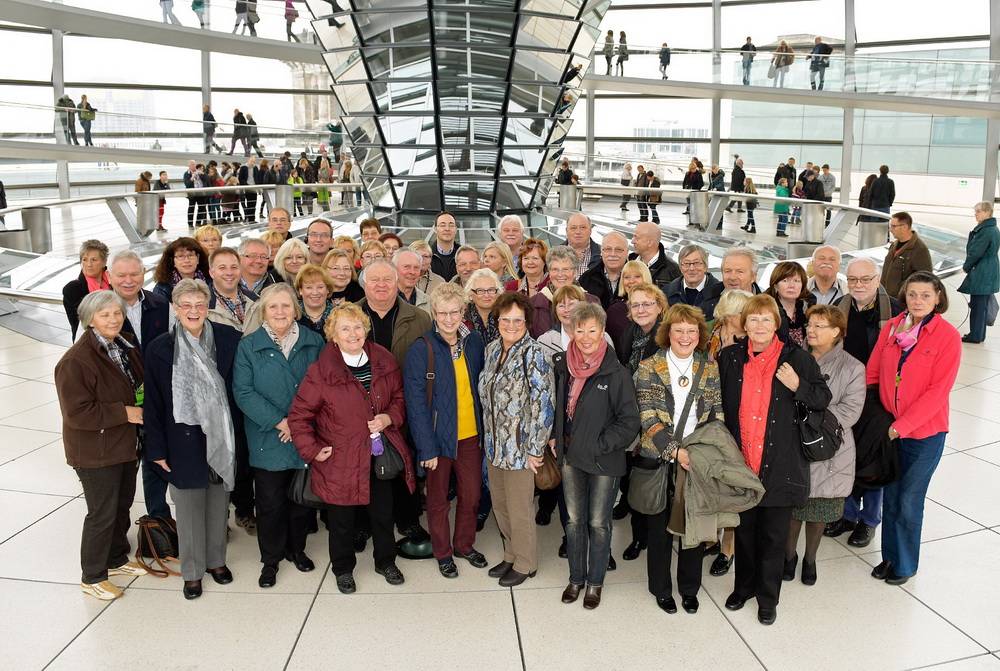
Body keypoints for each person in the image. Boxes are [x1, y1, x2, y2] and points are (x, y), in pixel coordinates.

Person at [718, 293, 831, 625]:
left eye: (766, 319)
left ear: (776, 324)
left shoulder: (797, 359)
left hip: (780, 463)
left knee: (773, 536)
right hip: (742, 461)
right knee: (745, 532)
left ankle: (768, 599)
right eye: (753, 319)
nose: (759, 325)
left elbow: (823, 397)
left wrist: (798, 386)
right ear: (744, 324)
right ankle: (744, 588)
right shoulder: (730, 357)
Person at [288, 303, 415, 593]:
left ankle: (386, 561)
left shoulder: (382, 358)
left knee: (383, 514)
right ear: (333, 334)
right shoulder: (321, 371)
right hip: (340, 460)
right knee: (342, 520)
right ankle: (343, 568)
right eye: (345, 328)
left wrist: (388, 418)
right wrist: (312, 449)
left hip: (377, 455)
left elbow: (398, 397)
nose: (353, 333)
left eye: (357, 326)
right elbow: (299, 416)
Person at [143, 279, 242, 599]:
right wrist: (155, 449)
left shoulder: (229, 339)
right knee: (187, 509)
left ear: (208, 306)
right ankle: (192, 571)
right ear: (174, 308)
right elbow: (153, 403)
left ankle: (216, 562)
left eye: (199, 304)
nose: (193, 311)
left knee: (217, 504)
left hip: (221, 436)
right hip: (181, 439)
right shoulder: (161, 348)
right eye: (186, 305)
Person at [867, 272, 961, 585]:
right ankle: (889, 557)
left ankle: (905, 564)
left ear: (938, 299)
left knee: (908, 499)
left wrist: (901, 426)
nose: (917, 301)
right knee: (891, 495)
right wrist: (877, 417)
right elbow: (874, 371)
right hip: (890, 428)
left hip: (924, 434)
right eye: (912, 295)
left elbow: (938, 392)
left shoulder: (946, 336)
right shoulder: (894, 327)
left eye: (925, 295)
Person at [55, 291, 148, 601]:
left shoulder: (122, 345)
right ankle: (92, 575)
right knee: (102, 512)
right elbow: (77, 412)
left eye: (117, 313)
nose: (113, 319)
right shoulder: (75, 361)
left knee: (122, 503)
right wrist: (126, 412)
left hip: (122, 443)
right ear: (89, 319)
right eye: (105, 314)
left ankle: (116, 558)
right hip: (95, 450)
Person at [634, 303, 723, 613]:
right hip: (660, 458)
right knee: (658, 529)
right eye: (679, 330)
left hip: (697, 458)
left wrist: (704, 452)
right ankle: (660, 588)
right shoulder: (648, 366)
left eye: (691, 331)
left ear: (699, 335)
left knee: (693, 528)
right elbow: (647, 417)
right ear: (667, 333)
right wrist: (676, 451)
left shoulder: (709, 367)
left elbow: (716, 414)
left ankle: (689, 588)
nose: (685, 336)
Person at [233, 284, 323, 588]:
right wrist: (279, 422)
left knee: (300, 500)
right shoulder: (249, 346)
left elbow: (323, 388)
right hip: (268, 436)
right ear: (263, 312)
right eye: (273, 307)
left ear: (295, 310)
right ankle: (270, 560)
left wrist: (298, 424)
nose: (280, 312)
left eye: (286, 306)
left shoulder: (314, 342)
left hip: (304, 433)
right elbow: (243, 391)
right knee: (270, 503)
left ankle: (296, 550)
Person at [551, 302, 639, 609]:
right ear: (571, 331)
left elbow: (630, 422)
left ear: (602, 331)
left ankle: (595, 583)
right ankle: (576, 578)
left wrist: (599, 444)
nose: (586, 336)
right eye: (580, 329)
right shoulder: (562, 365)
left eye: (592, 330)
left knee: (599, 523)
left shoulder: (617, 372)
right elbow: (558, 409)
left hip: (604, 460)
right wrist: (555, 437)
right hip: (570, 459)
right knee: (574, 522)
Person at [404, 284, 489, 579]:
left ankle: (464, 545)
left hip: (470, 437)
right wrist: (426, 448)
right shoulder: (421, 348)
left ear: (463, 312)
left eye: (455, 312)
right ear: (434, 313)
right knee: (438, 500)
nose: (450, 319)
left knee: (472, 495)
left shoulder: (475, 342)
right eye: (443, 313)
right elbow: (415, 405)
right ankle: (443, 553)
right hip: (438, 439)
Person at [784, 305, 865, 585]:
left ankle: (810, 559)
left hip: (829, 446)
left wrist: (809, 416)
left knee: (819, 509)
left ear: (837, 332)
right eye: (810, 324)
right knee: (793, 507)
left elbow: (850, 411)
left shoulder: (852, 367)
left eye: (820, 325)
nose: (812, 330)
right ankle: (789, 556)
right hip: (792, 442)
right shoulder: (792, 357)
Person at [824, 257, 903, 547]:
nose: (859, 285)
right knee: (844, 455)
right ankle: (846, 514)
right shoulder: (839, 309)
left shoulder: (895, 309)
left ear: (878, 277)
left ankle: (869, 520)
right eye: (853, 279)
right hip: (844, 394)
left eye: (865, 279)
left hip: (877, 397)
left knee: (872, 459)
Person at [479, 291, 554, 587]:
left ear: (527, 322)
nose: (511, 325)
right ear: (497, 320)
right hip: (495, 445)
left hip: (522, 449)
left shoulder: (534, 353)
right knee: (501, 505)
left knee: (520, 509)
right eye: (505, 319)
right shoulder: (492, 350)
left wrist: (535, 448)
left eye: (517, 320)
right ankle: (510, 554)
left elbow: (543, 403)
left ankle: (526, 562)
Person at [958, 202, 999, 344]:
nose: (975, 214)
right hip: (988, 270)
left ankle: (975, 336)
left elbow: (976, 252)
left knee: (978, 306)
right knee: (981, 306)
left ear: (987, 212)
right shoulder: (991, 228)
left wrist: (966, 266)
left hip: (982, 271)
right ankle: (979, 335)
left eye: (978, 211)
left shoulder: (986, 230)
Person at [63, 240, 111, 341]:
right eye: (84, 260)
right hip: (88, 342)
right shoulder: (72, 289)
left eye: (94, 260)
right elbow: (84, 320)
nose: (89, 264)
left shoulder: (113, 283)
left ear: (104, 262)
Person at [699, 247, 762, 321]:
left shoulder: (768, 306)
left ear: (753, 276)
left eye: (740, 271)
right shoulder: (706, 297)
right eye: (728, 271)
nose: (732, 277)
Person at [209, 247, 261, 334]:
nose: (229, 273)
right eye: (222, 268)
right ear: (212, 273)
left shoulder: (257, 301)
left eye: (234, 267)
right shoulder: (203, 307)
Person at [881, 212, 932, 299]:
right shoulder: (894, 245)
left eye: (893, 226)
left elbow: (924, 278)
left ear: (904, 227)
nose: (890, 229)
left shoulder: (919, 249)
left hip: (902, 301)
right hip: (886, 297)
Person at [766, 261, 815, 348]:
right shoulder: (766, 310)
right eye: (785, 281)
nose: (791, 285)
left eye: (796, 281)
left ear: (802, 285)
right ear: (775, 285)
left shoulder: (809, 309)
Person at [579, 232, 629, 310]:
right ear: (601, 251)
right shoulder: (586, 279)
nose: (612, 254)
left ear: (627, 252)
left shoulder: (638, 278)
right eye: (608, 249)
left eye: (618, 250)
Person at [664, 245, 720, 312]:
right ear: (680, 268)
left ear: (705, 266)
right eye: (687, 263)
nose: (691, 268)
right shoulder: (667, 292)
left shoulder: (719, 293)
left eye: (696, 263)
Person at [465, 268, 502, 345]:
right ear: (470, 294)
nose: (486, 295)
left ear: (498, 293)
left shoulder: (506, 316)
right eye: (480, 291)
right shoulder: (462, 318)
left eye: (491, 290)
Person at [564, 213, 602, 281]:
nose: (578, 232)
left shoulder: (603, 254)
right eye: (573, 228)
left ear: (590, 230)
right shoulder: (554, 254)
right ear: (566, 231)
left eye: (583, 227)